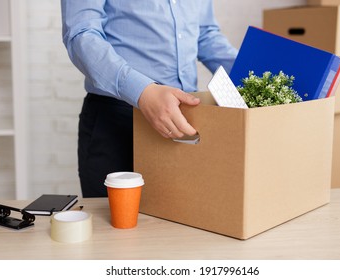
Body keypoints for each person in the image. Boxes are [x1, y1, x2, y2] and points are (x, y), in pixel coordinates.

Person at [61, 0, 237, 197]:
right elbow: (82, 34)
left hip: (184, 118)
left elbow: (205, 34)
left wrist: (254, 75)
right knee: (115, 222)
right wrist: (142, 91)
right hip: (116, 120)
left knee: (182, 219)